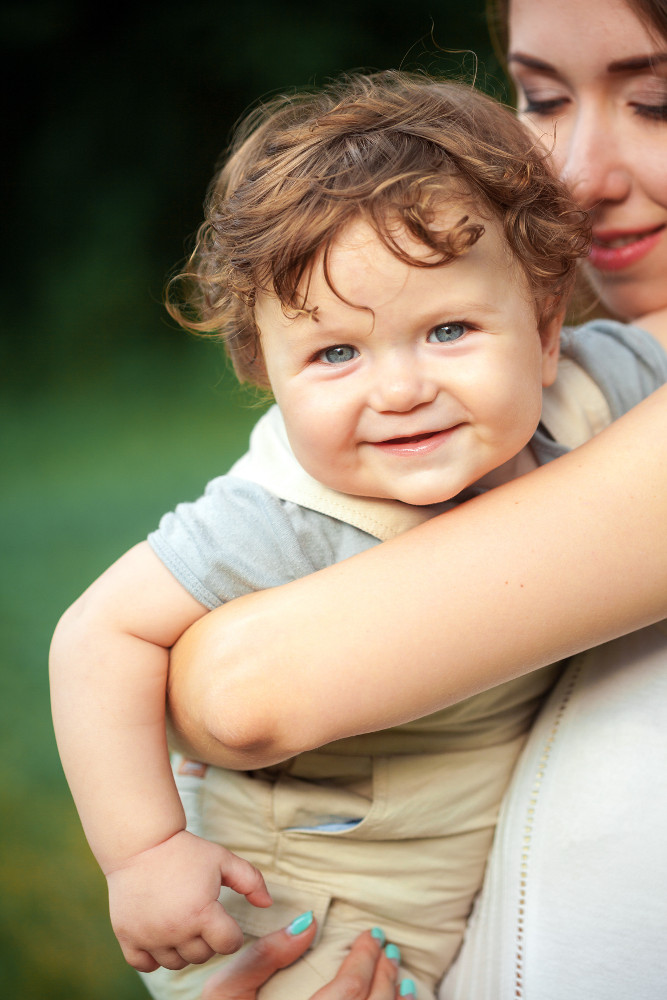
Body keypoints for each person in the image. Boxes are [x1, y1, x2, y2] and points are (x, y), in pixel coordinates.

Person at [49, 70, 666, 1000]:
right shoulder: (287, 515)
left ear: (545, 332)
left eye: (448, 329)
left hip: (449, 897)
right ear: (267, 374)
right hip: (300, 915)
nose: (399, 389)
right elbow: (98, 636)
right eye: (334, 353)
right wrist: (146, 850)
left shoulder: (591, 389)